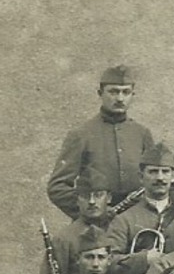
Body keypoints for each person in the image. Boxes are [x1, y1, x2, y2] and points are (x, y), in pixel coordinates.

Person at [45, 64, 157, 220]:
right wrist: (92, 213)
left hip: (136, 222)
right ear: (100, 93)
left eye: (126, 92)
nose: (120, 98)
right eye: (113, 92)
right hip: (96, 226)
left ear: (133, 95)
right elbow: (57, 188)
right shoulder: (81, 134)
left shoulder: (142, 133)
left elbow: (154, 179)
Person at [103, 144, 174, 274]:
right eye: (153, 172)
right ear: (141, 177)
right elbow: (107, 263)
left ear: (173, 177)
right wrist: (144, 259)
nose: (160, 178)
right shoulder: (124, 219)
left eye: (165, 172)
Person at [39, 172, 115, 274]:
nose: (91, 202)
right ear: (77, 199)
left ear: (108, 198)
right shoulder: (64, 238)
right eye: (85, 196)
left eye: (98, 195)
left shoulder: (121, 228)